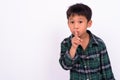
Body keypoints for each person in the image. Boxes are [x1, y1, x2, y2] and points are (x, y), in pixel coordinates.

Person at [59, 3, 115, 80]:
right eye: (72, 22)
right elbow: (65, 66)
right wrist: (73, 48)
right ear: (68, 24)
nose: (76, 26)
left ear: (89, 23)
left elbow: (107, 71)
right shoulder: (66, 43)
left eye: (80, 22)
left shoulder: (99, 44)